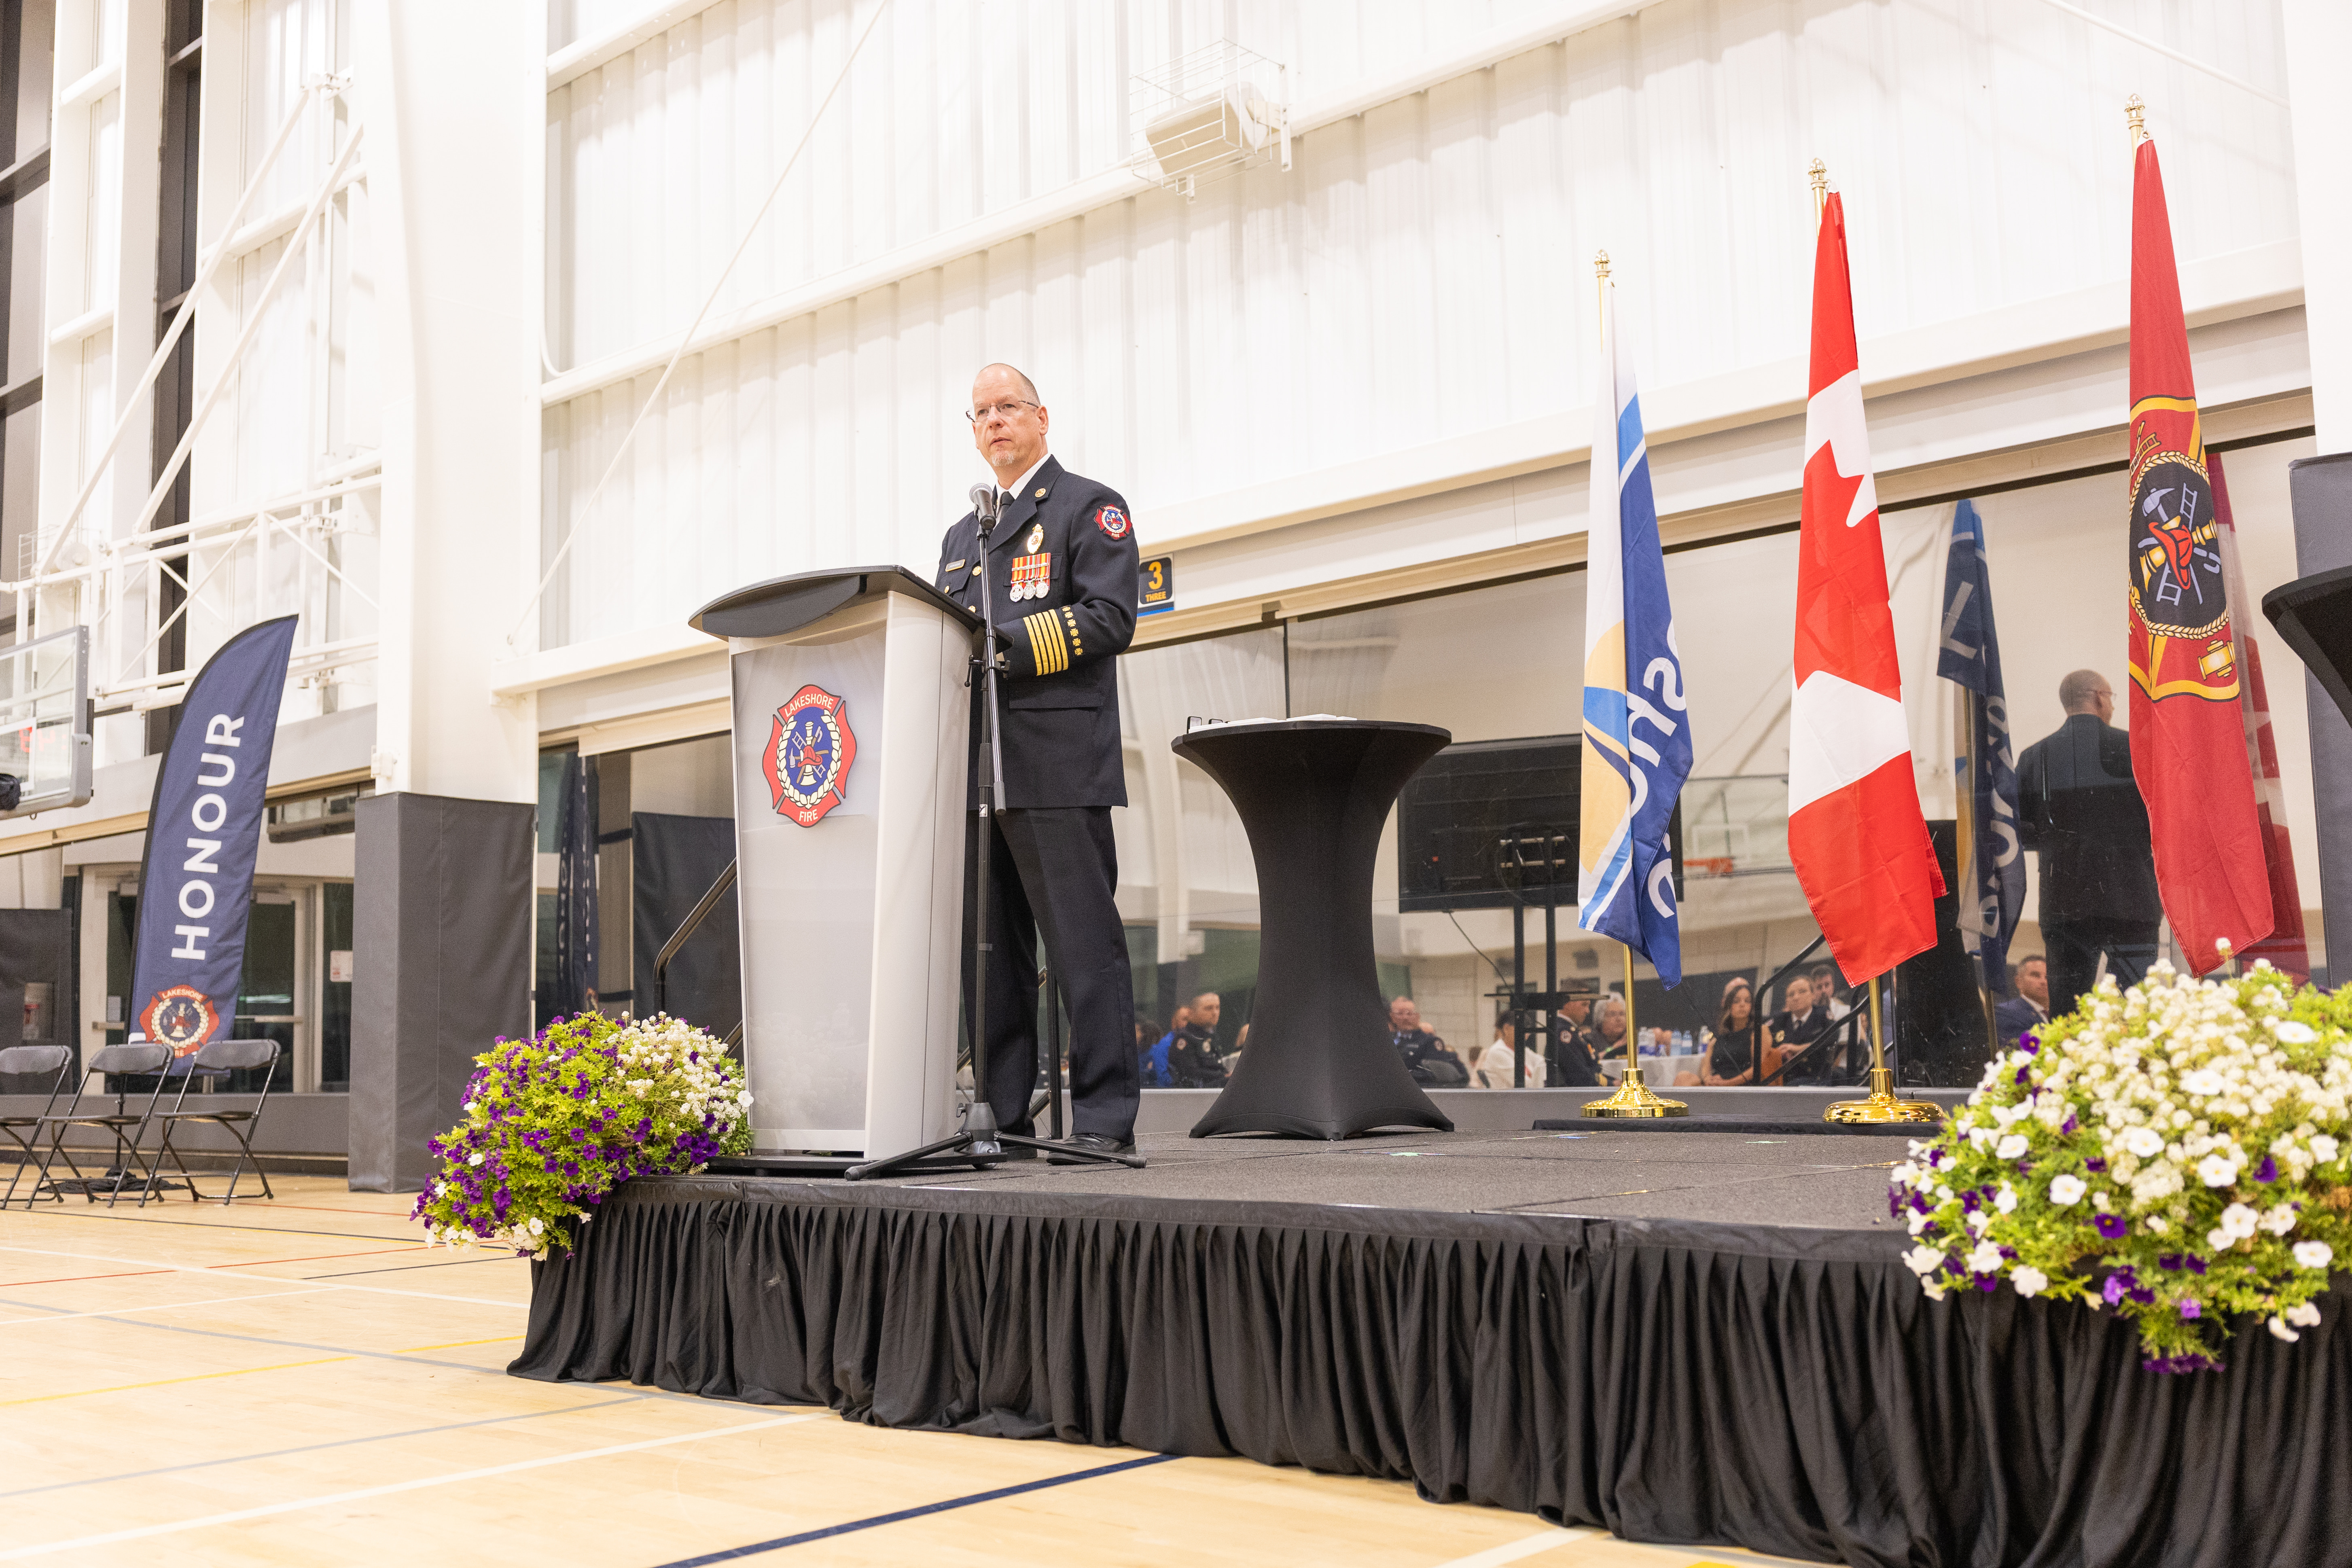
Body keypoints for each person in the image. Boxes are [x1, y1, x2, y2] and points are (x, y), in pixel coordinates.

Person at [937, 364, 1144, 1163]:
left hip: (1058, 765)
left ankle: (1102, 1118)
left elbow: (1110, 617)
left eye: (1008, 408)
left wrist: (1004, 648)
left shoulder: (1089, 508)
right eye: (980, 412)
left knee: (1084, 947)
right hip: (979, 772)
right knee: (991, 959)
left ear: (1042, 417)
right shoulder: (963, 537)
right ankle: (1003, 1115)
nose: (994, 422)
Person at [2017, 669, 2163, 1017]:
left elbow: (2022, 832)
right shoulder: (2138, 748)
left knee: (2067, 1014)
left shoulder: (2032, 758)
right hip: (2133, 899)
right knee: (2136, 1012)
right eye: (2111, 697)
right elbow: (2164, 817)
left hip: (2064, 903)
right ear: (2099, 697)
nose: (2111, 705)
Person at [1699, 978, 1780, 1085]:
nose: (1742, 1005)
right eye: (1737, 1001)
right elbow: (1705, 1066)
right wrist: (1707, 1079)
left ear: (1752, 1006)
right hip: (1716, 1085)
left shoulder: (1759, 1031)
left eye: (1747, 1001)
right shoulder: (1718, 1037)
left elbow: (1756, 1070)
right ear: (1729, 1006)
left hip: (1742, 1087)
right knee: (1684, 1077)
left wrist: (1726, 1084)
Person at [1770, 973, 1837, 1084]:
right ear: (1787, 1001)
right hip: (1784, 1078)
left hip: (1815, 1078)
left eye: (1802, 992)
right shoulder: (1779, 1020)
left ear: (1813, 995)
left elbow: (1832, 1037)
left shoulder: (1822, 1014)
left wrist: (1797, 1048)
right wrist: (1777, 1053)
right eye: (1791, 995)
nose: (1796, 997)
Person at [1389, 996, 1469, 1086]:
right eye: (1400, 1014)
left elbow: (1436, 1073)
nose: (1405, 1018)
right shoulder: (1388, 1041)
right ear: (1393, 1017)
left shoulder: (1430, 1042)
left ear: (1417, 1017)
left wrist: (1405, 1075)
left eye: (1409, 1014)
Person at [1166, 991, 1228, 1088]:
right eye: (1209, 1008)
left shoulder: (1211, 1037)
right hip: (1195, 1094)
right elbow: (1190, 1074)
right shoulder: (1185, 1039)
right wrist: (1223, 1076)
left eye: (1218, 1008)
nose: (1215, 1013)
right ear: (1192, 1013)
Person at [1546, 994, 1601, 1087]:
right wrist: (1611, 1083)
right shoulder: (1563, 1033)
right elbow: (1580, 1075)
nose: (1588, 1011)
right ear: (1567, 1003)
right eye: (1584, 1005)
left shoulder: (1574, 1031)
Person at [1476, 1012, 1544, 1089]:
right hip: (1505, 1099)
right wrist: (1536, 1076)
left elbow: (1542, 1064)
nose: (1527, 1036)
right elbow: (1524, 1084)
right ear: (1506, 1028)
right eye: (1523, 1030)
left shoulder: (1522, 1050)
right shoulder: (1497, 1052)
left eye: (1528, 1032)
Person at [1995, 955, 2051, 1046]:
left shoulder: (2062, 1012)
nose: (2044, 982)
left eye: (2047, 977)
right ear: (2019, 982)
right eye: (2036, 976)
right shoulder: (2005, 1013)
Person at [1143, 1005, 1189, 1089]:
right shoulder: (1164, 1046)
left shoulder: (1192, 1044)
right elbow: (1164, 1078)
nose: (1189, 1024)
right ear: (1174, 1022)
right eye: (1185, 1019)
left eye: (1191, 1020)